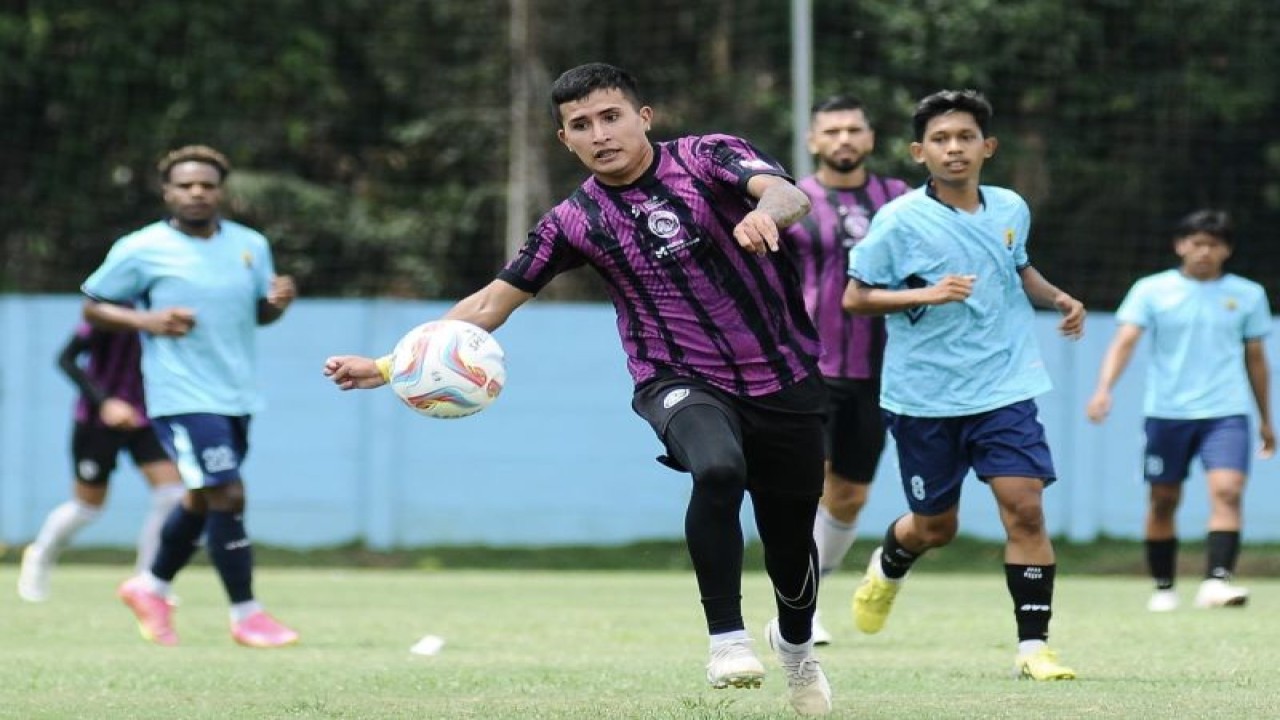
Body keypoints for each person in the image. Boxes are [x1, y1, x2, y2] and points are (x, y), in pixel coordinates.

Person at [324, 63, 833, 715]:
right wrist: (391, 363)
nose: (600, 134)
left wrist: (766, 212)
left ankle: (795, 649)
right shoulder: (573, 221)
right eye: (581, 126)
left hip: (785, 377)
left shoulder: (708, 155)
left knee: (791, 551)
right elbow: (489, 304)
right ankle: (727, 640)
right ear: (565, 141)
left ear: (642, 116)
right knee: (717, 468)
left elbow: (787, 194)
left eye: (610, 116)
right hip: (676, 378)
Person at [842, 89, 1085, 680]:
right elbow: (856, 297)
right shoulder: (898, 219)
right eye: (942, 140)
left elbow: (1017, 265)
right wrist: (925, 292)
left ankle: (1034, 648)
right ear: (919, 152)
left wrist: (1054, 296)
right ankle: (889, 564)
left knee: (1024, 509)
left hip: (1004, 385)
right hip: (924, 397)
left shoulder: (1009, 208)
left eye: (966, 138)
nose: (955, 149)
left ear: (987, 147)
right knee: (936, 528)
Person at [79, 144, 300, 648]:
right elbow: (94, 307)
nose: (197, 192)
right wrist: (146, 320)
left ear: (221, 191)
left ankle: (150, 585)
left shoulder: (250, 245)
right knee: (229, 492)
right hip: (181, 394)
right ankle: (247, 614)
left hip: (238, 392)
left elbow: (259, 315)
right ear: (167, 192)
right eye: (186, 185)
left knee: (202, 497)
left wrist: (278, 305)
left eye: (206, 185)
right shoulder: (141, 248)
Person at [1085, 209, 1273, 612]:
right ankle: (1164, 585)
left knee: (1227, 491)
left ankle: (1216, 581)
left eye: (1213, 244)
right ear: (1180, 245)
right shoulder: (1151, 290)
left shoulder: (1248, 294)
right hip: (1167, 412)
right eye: (1196, 242)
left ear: (1227, 250)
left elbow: (1256, 359)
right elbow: (1125, 341)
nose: (1204, 251)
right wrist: (1103, 389)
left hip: (1226, 412)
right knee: (1163, 498)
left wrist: (1266, 419)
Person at [785, 95, 910, 645]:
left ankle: (812, 590)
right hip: (808, 365)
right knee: (805, 483)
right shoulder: (791, 200)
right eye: (831, 131)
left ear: (870, 138)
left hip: (880, 371)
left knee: (849, 496)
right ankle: (798, 605)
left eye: (853, 130)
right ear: (813, 141)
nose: (843, 139)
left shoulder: (899, 200)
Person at [17, 322, 186, 602]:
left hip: (146, 418)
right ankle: (40, 555)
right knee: (87, 507)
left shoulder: (167, 307)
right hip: (96, 421)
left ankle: (148, 582)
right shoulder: (109, 309)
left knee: (173, 494)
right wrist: (105, 402)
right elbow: (65, 358)